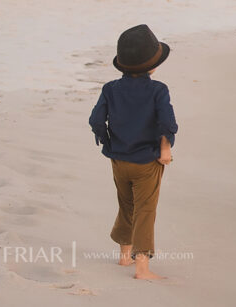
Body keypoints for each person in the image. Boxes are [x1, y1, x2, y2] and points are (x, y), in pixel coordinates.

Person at [89, 24, 177, 280]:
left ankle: (124, 255)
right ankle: (142, 268)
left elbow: (96, 120)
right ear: (153, 65)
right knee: (145, 209)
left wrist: (107, 142)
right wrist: (165, 149)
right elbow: (167, 123)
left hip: (119, 159)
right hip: (147, 162)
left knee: (126, 205)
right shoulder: (157, 90)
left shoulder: (110, 89)